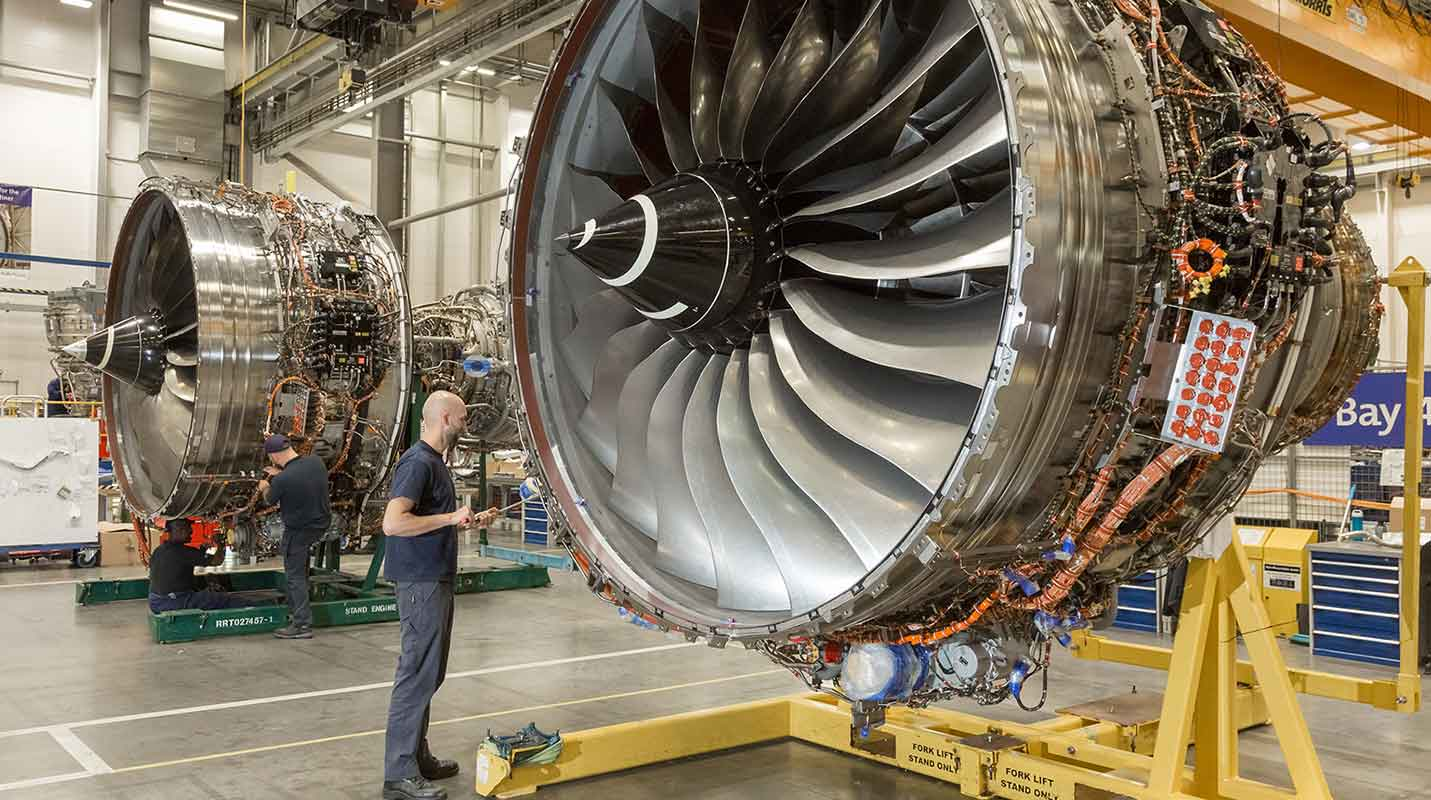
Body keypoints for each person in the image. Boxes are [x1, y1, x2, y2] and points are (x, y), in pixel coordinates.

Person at [380, 391, 499, 800]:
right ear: (445, 418)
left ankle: (416, 756)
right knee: (416, 674)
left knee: (430, 673)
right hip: (420, 583)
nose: (465, 426)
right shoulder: (418, 462)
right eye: (463, 419)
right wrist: (450, 516)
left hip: (432, 578)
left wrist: (465, 521)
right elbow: (393, 523)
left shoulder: (434, 463)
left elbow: (427, 523)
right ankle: (399, 772)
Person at [257, 434, 332, 640]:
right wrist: (281, 473)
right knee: (302, 571)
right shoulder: (316, 463)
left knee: (295, 576)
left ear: (273, 456)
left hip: (298, 532)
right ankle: (301, 614)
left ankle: (301, 625)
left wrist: (265, 485)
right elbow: (298, 475)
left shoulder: (281, 480)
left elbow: (269, 500)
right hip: (321, 524)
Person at [148, 519, 240, 613]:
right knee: (221, 599)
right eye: (188, 528)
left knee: (207, 580)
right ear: (179, 529)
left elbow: (182, 562)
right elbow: (217, 560)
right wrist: (220, 544)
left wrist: (203, 549)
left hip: (156, 601)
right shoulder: (183, 551)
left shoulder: (159, 550)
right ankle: (253, 608)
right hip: (173, 601)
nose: (191, 531)